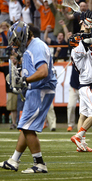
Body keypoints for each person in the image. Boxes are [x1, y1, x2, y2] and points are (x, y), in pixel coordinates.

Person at [0, 21, 57, 173]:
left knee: (27, 127)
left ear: (24, 36)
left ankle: (39, 164)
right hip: (36, 89)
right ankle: (13, 160)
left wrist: (24, 80)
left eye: (17, 40)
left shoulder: (36, 46)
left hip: (41, 90)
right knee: (25, 126)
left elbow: (43, 71)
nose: (16, 44)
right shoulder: (31, 47)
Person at [69, 10, 92, 152]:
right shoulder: (76, 50)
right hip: (87, 86)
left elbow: (87, 41)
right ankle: (79, 136)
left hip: (87, 85)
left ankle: (81, 144)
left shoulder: (85, 49)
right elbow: (87, 39)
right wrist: (86, 25)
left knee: (83, 114)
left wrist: (86, 24)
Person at [0, 54, 19, 129]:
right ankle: (14, 123)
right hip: (11, 90)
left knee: (21, 107)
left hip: (21, 90)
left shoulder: (21, 67)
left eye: (14, 58)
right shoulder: (7, 68)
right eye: (11, 58)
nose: (13, 60)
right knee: (12, 107)